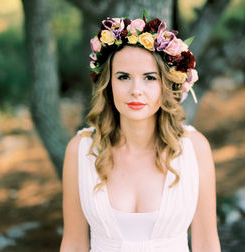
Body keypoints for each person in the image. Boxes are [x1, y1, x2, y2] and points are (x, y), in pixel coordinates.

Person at [60, 13, 221, 252]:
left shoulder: (194, 148)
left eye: (149, 78)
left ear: (166, 84)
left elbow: (206, 243)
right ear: (108, 84)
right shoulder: (81, 150)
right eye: (124, 77)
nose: (136, 90)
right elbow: (73, 244)